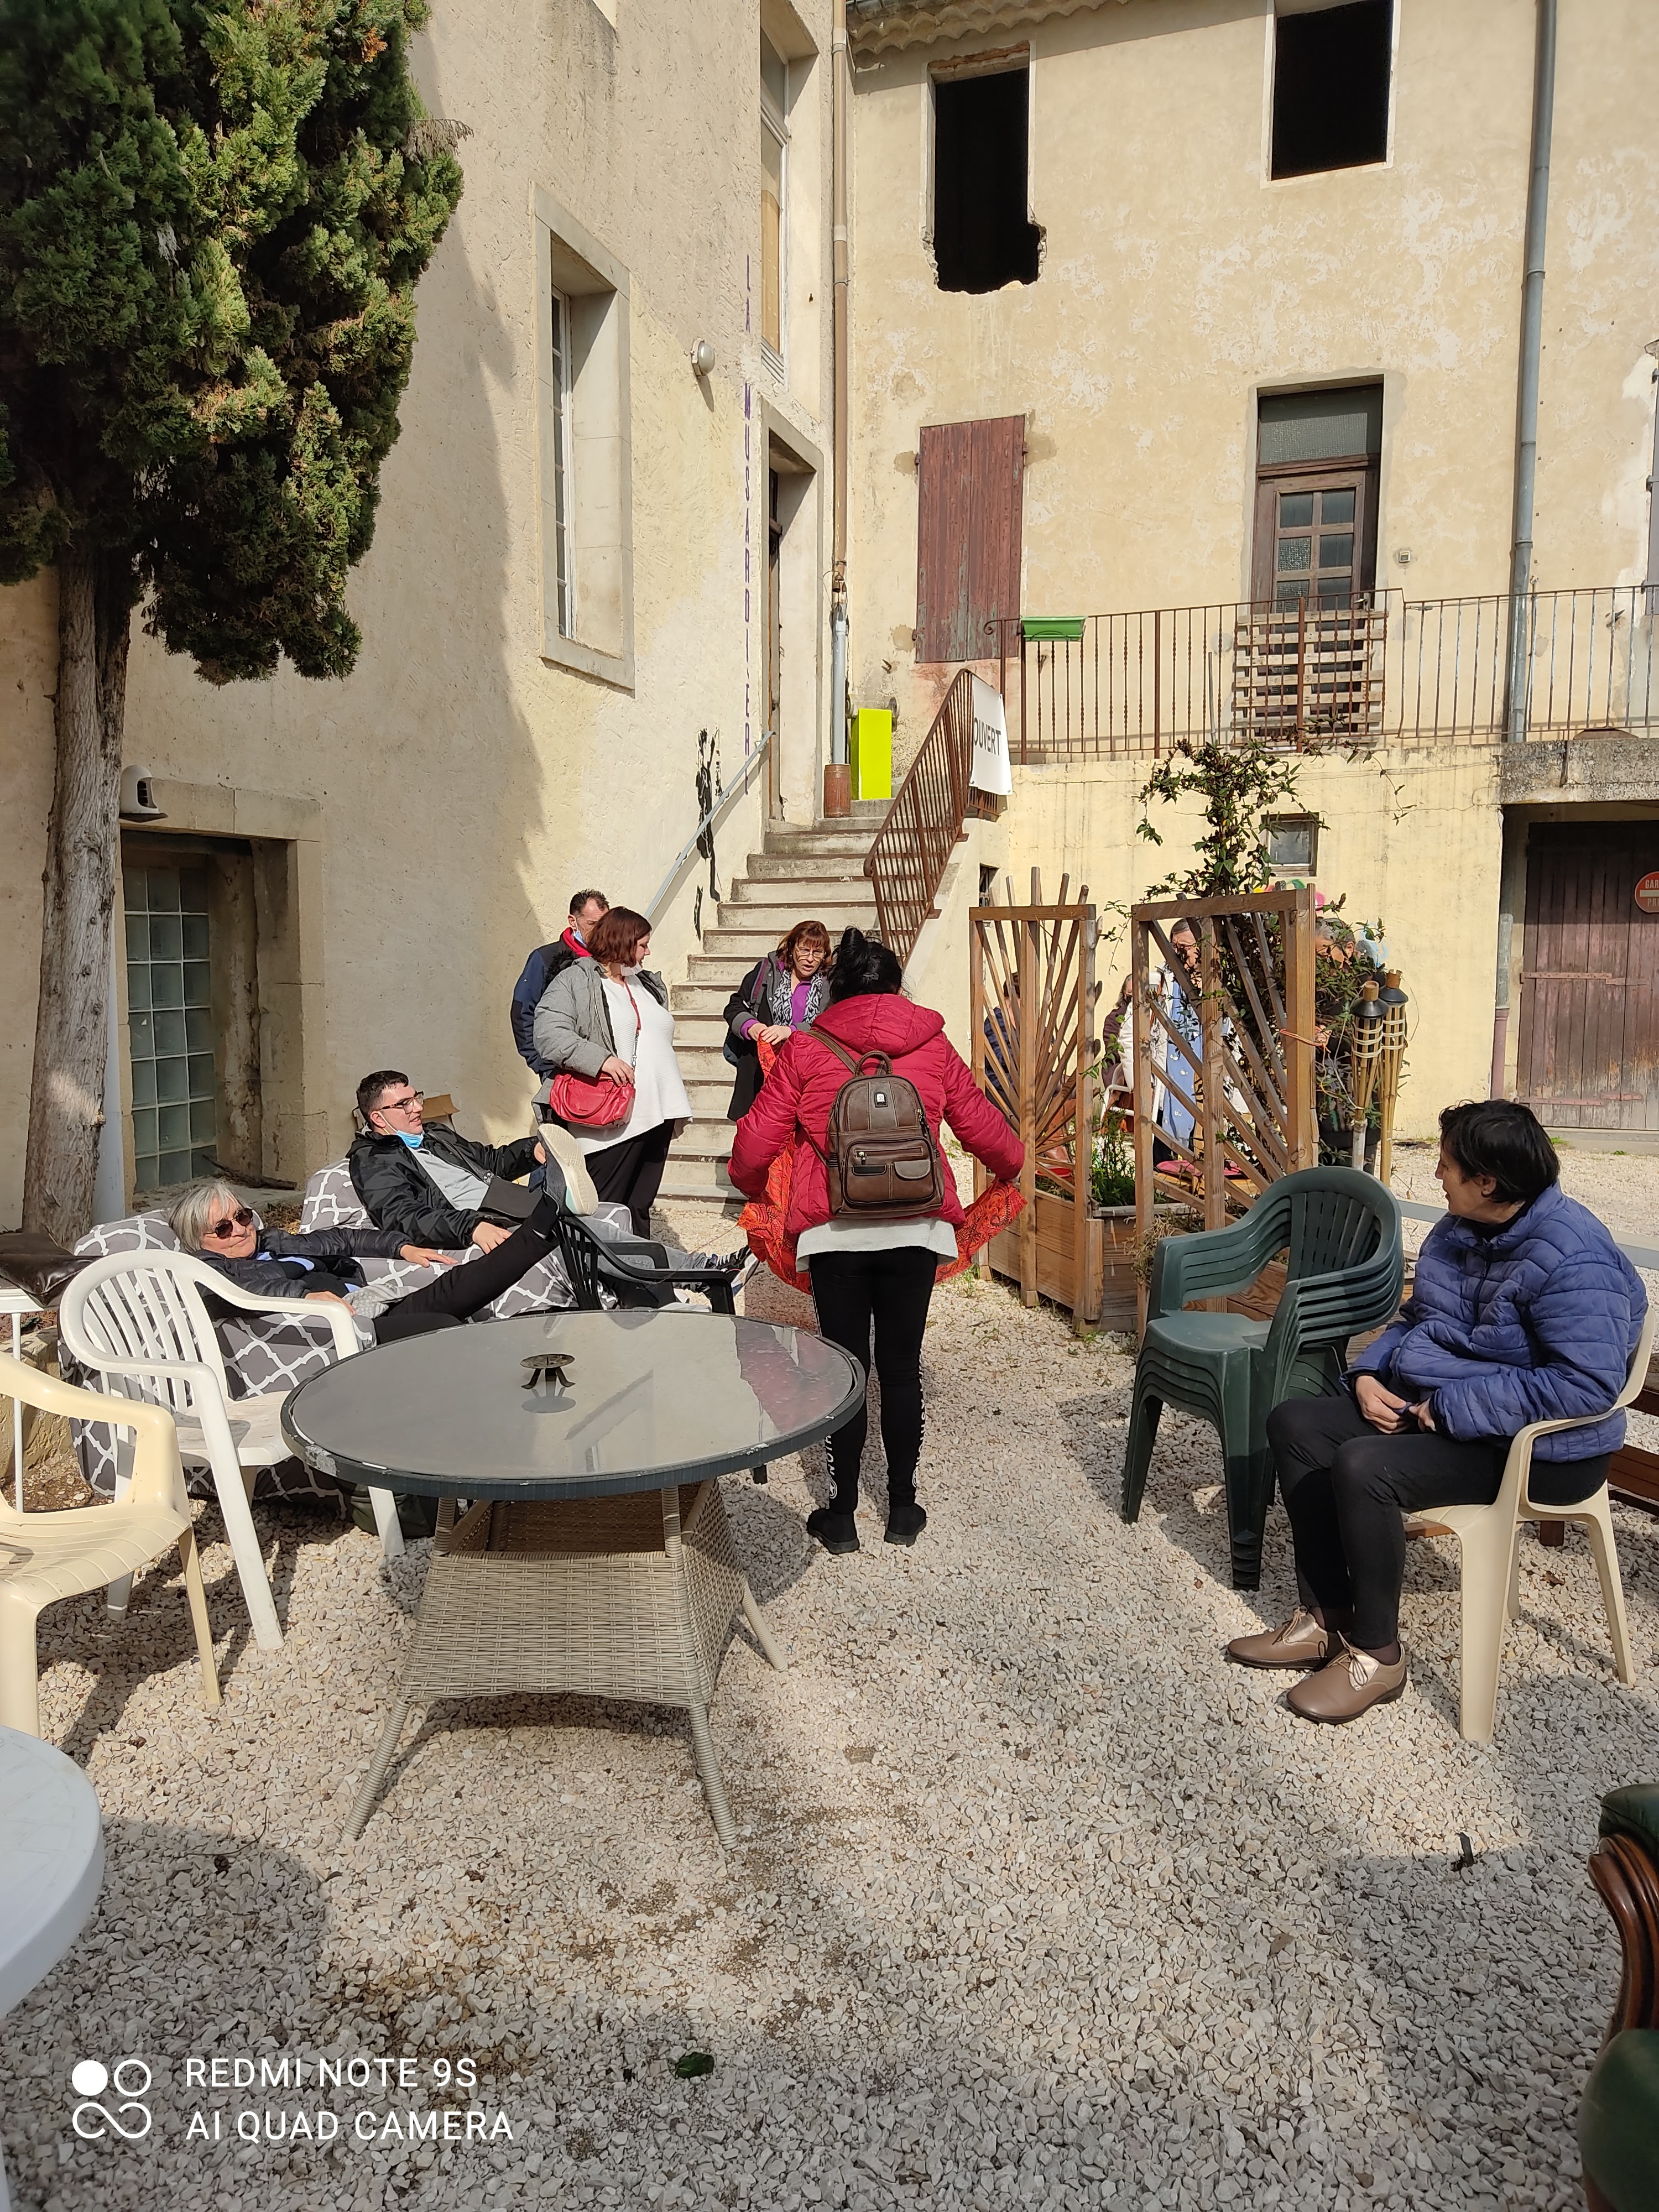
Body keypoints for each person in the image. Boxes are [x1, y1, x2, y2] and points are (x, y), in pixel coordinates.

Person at [1229, 1099, 1649, 1723]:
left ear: (1488, 1182)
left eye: (1447, 1165)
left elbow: (1585, 1386)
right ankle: (1327, 1617)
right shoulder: (1459, 1229)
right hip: (1440, 1412)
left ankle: (1378, 1655)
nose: (1436, 1175)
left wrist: (1450, 1407)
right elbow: (1417, 1318)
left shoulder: (1577, 1258)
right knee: (1295, 1425)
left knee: (1364, 1466)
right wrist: (1368, 1376)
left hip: (1541, 1450)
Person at [728, 927, 1025, 1554]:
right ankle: (903, 1506)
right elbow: (989, 1134)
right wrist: (1009, 1168)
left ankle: (841, 1514)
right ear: (896, 988)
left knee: (845, 1366)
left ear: (838, 988)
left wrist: (760, 1189)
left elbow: (753, 1149)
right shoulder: (933, 1046)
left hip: (834, 1231)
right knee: (901, 1366)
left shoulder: (807, 1048)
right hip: (915, 1227)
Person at [169, 1178, 572, 1346]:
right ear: (199, 1240)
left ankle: (549, 1222)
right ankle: (547, 1220)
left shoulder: (273, 1241)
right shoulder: (211, 1271)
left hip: (369, 1306)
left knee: (457, 1286)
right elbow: (238, 1293)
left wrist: (402, 1248)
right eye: (223, 1228)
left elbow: (343, 1237)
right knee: (444, 1326)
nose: (241, 1229)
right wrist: (303, 1297)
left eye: (242, 1217)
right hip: (341, 1334)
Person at [533, 905, 693, 1238]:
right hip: (613, 1116)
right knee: (605, 1207)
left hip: (659, 1111)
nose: (648, 952)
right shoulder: (576, 980)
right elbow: (548, 1033)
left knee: (639, 1207)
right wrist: (602, 1060)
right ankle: (590, 1269)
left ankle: (639, 1268)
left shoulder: (645, 984)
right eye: (643, 944)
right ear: (622, 941)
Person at [348, 1073, 549, 1253]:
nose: (418, 1108)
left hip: (506, 1199)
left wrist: (531, 1150)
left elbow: (489, 1161)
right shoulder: (373, 1160)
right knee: (558, 1233)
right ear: (379, 1118)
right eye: (405, 1104)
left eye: (417, 1098)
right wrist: (471, 1227)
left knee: (564, 1209)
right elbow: (402, 1216)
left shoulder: (434, 1133)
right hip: (476, 1221)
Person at [722, 920, 832, 1119]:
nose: (810, 959)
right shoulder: (767, 971)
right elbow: (735, 1005)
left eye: (817, 953)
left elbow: (831, 1025)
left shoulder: (830, 984)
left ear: (825, 955)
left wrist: (791, 1031)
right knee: (756, 1131)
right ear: (792, 949)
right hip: (759, 1075)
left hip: (806, 1077)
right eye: (804, 950)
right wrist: (750, 1026)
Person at [510, 889, 609, 1079]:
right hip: (560, 1072)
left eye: (604, 924)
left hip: (605, 1071)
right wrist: (543, 1065)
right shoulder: (546, 958)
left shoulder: (612, 961)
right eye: (592, 924)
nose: (600, 931)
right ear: (573, 921)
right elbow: (522, 1012)